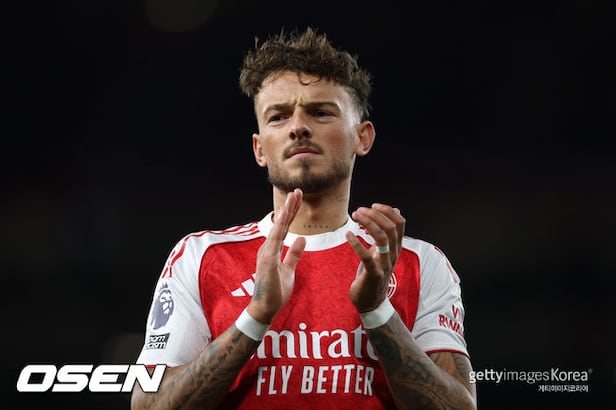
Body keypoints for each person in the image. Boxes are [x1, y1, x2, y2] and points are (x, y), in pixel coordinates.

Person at [131, 27, 477, 409]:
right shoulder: (202, 257)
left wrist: (377, 310)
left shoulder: (418, 263)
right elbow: (149, 404)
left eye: (320, 112)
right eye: (278, 116)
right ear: (259, 149)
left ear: (362, 137)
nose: (298, 126)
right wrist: (255, 316)